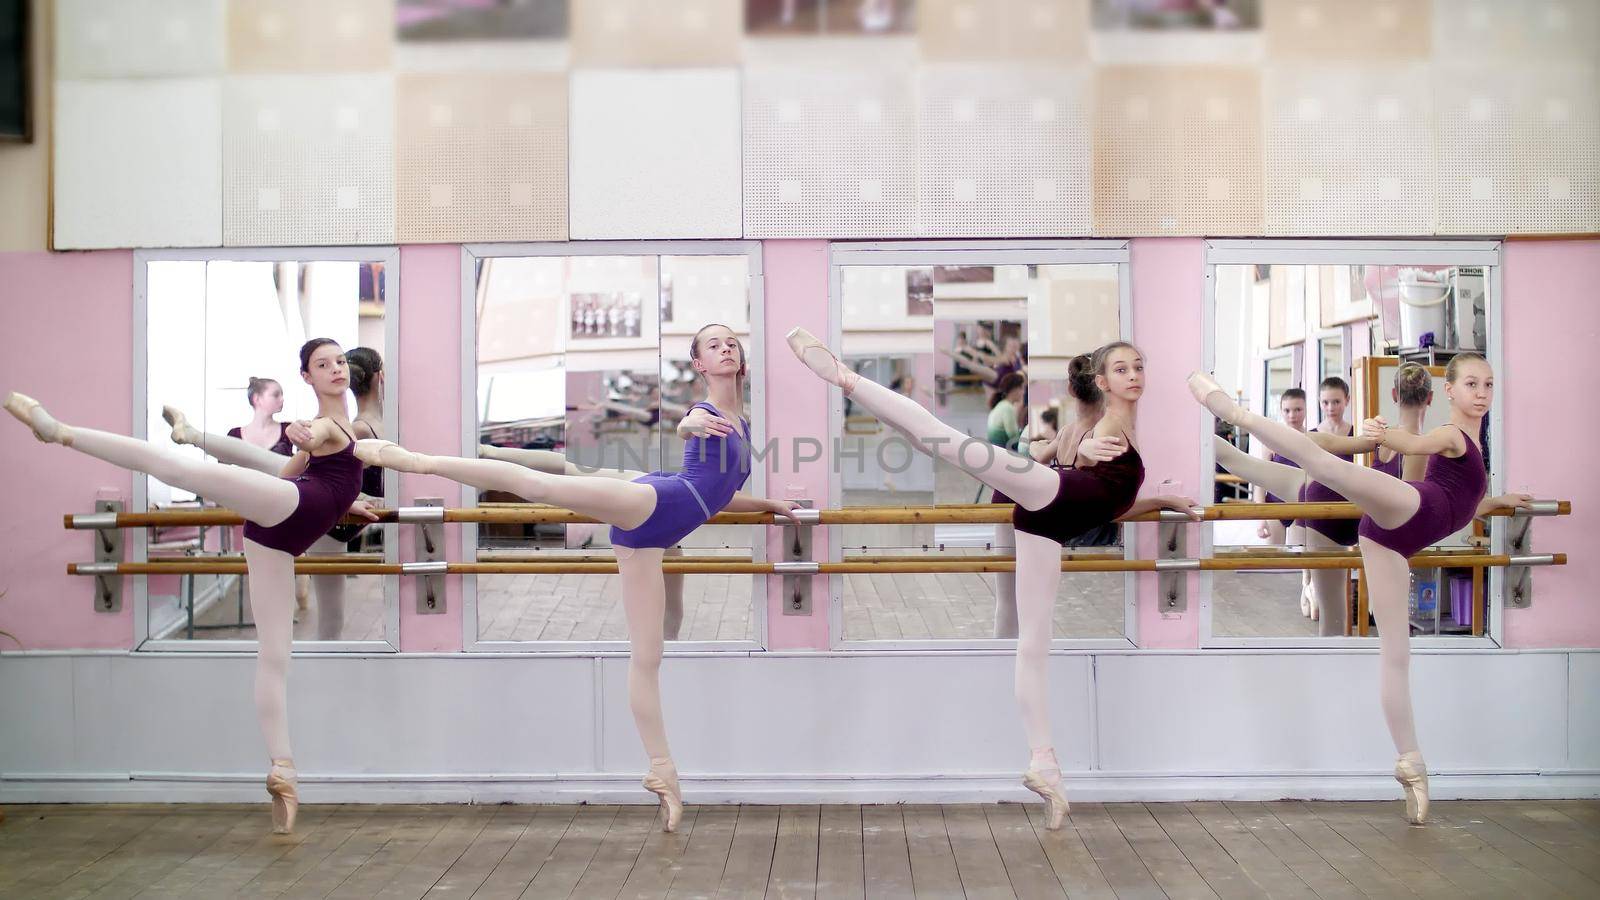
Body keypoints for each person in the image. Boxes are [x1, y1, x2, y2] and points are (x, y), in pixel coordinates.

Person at [348, 324, 797, 832]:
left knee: (649, 655)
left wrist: (769, 504)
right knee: (543, 483)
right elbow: (686, 427)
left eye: (731, 342)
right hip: (652, 505)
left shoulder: (744, 424)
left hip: (655, 533)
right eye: (713, 345)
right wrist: (689, 423)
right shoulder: (707, 414)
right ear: (698, 365)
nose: (726, 348)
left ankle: (662, 772)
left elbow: (718, 496)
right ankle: (414, 460)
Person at [787, 328, 1198, 829]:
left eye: (1138, 367)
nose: (1134, 376)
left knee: (1034, 644)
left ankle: (1044, 764)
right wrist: (1089, 451)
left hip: (1047, 521)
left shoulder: (1112, 422)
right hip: (1053, 497)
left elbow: (1113, 501)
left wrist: (1162, 501)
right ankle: (844, 377)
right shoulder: (1108, 425)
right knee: (946, 441)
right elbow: (1093, 456)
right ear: (1102, 380)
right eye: (1121, 369)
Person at [5, 339, 378, 834]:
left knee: (274, 656)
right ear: (306, 378)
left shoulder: (344, 431)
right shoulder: (332, 426)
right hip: (288, 510)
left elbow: (299, 469)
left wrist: (340, 500)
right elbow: (306, 450)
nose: (335, 369)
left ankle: (282, 771)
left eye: (338, 362)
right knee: (181, 469)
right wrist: (300, 439)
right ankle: (59, 432)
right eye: (321, 365)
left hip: (276, 537)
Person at [1189, 353, 1532, 825]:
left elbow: (1463, 504)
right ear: (1447, 392)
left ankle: (1411, 766)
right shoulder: (1451, 435)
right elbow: (1417, 441)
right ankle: (1233, 414)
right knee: (1325, 466)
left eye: (1489, 385)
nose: (1481, 393)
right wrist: (1383, 435)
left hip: (1390, 540)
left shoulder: (1474, 446)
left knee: (1396, 653)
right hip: (1408, 510)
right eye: (1471, 383)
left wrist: (1497, 502)